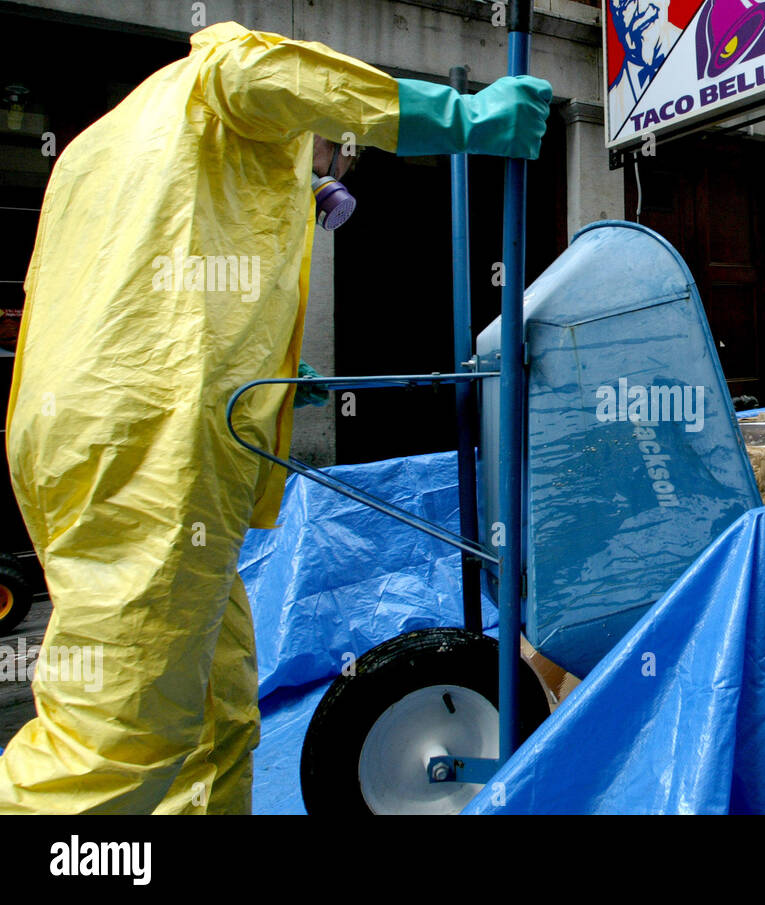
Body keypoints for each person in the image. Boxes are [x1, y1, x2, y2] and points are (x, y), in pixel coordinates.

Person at [0, 21, 551, 815]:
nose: (329, 176)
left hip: (86, 428)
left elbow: (134, 302)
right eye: (337, 155)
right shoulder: (224, 71)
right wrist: (465, 117)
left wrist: (278, 385)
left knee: (217, 714)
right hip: (156, 451)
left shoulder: (106, 147)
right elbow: (275, 73)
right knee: (117, 743)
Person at [607, 0, 682, 135]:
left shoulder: (704, 53)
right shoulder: (614, 103)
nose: (641, 9)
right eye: (627, 2)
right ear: (616, 23)